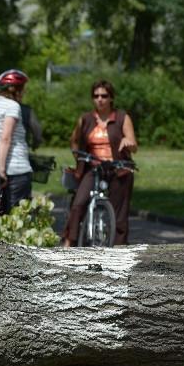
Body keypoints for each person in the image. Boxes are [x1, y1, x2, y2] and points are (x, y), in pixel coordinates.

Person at [62, 80, 137, 247]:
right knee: (79, 203)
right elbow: (74, 140)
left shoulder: (122, 118)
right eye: (96, 96)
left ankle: (119, 249)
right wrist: (80, 159)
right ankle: (69, 242)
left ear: (111, 98)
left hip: (118, 168)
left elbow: (134, 144)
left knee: (119, 214)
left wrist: (128, 142)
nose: (100, 99)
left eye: (104, 95)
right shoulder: (86, 119)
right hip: (93, 167)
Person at [0, 69, 33, 215]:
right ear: (15, 89)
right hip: (14, 171)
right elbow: (5, 138)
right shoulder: (13, 106)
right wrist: (2, 169)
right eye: (22, 89)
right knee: (17, 219)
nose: (24, 92)